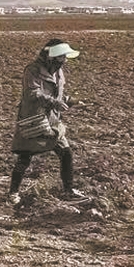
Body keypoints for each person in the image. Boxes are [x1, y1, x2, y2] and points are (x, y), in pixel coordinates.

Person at [10, 39, 83, 204]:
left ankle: (68, 190)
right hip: (35, 120)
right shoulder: (32, 70)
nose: (64, 60)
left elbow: (57, 94)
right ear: (51, 56)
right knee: (25, 157)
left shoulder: (59, 72)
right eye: (61, 57)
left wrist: (69, 100)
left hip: (53, 121)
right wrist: (54, 102)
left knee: (66, 153)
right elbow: (32, 93)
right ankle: (13, 193)